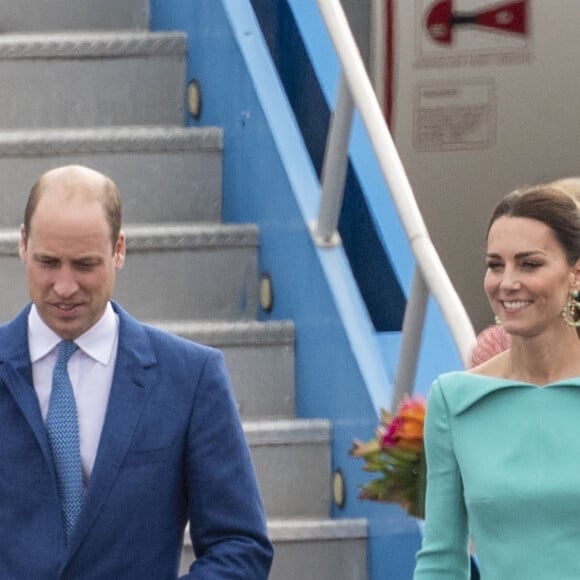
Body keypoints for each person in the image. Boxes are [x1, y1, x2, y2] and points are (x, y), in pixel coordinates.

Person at [1, 164, 273, 578]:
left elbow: (239, 544)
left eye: (85, 265)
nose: (65, 286)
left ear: (119, 250)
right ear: (22, 244)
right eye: (48, 262)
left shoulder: (191, 377)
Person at [414, 184, 580, 579]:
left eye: (529, 264)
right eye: (495, 264)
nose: (507, 282)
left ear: (576, 274)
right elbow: (440, 561)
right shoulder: (454, 401)